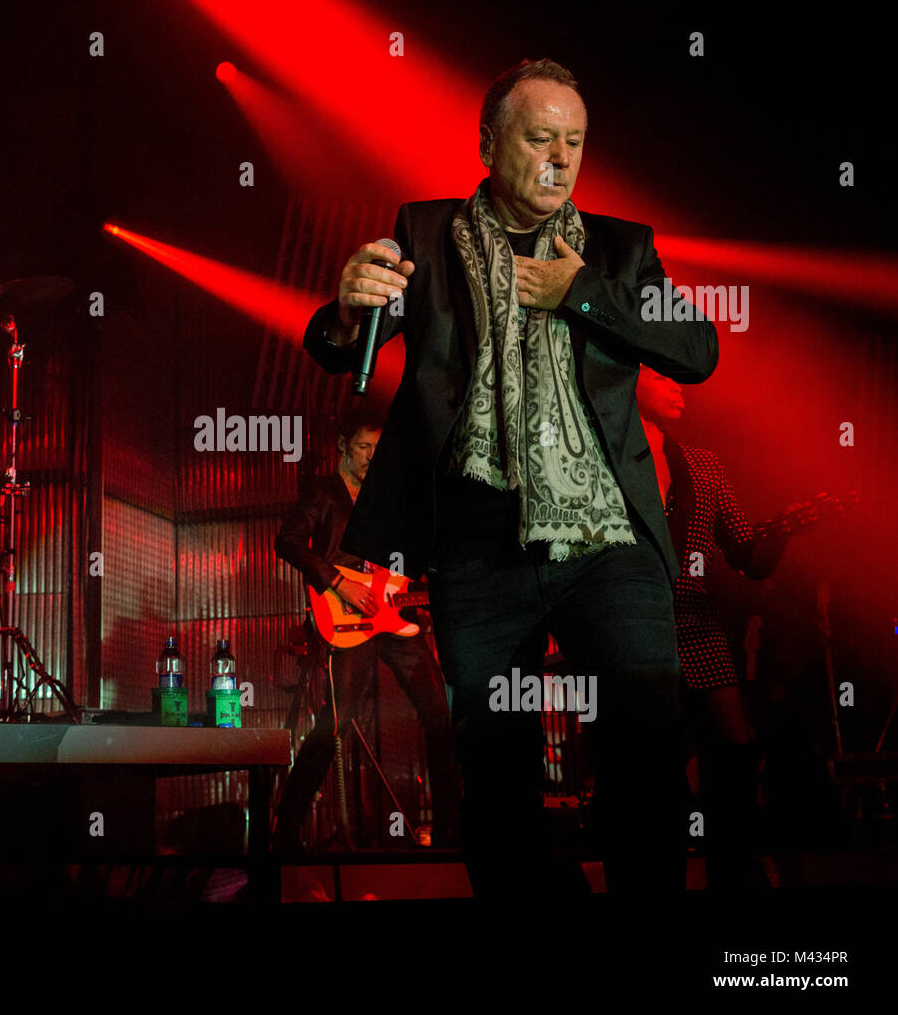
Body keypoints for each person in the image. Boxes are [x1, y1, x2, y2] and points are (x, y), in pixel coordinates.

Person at [302, 58, 719, 894]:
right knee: (496, 766)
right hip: (476, 541)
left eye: (574, 141)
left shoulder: (620, 248)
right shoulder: (424, 234)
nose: (560, 157)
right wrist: (350, 308)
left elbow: (697, 350)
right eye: (539, 138)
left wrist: (584, 292)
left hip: (607, 538)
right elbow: (336, 344)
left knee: (644, 733)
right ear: (491, 144)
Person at [273, 413, 461, 851]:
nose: (371, 458)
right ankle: (284, 834)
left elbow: (400, 562)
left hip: (393, 615)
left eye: (378, 450)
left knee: (439, 714)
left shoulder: (387, 497)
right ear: (342, 446)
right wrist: (340, 583)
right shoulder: (322, 492)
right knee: (334, 724)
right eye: (363, 448)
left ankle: (454, 830)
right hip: (344, 616)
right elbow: (287, 541)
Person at [636, 365, 789, 889]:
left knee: (734, 747)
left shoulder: (703, 464)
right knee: (652, 765)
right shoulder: (599, 460)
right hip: (633, 626)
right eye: (661, 376)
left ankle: (736, 868)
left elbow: (748, 553)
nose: (678, 386)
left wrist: (785, 531)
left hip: (697, 622)